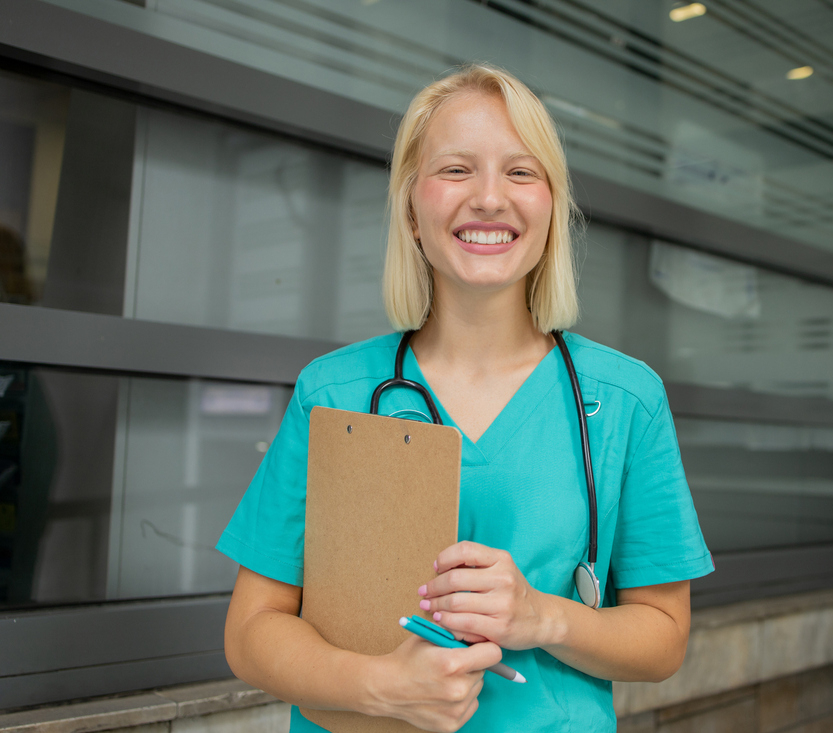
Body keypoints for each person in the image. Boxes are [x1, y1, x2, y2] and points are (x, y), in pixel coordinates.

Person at [217, 64, 713, 733]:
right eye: (455, 170)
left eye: (520, 171)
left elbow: (664, 638)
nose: (488, 197)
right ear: (411, 211)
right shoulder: (334, 394)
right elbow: (251, 630)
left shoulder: (626, 399)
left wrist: (543, 616)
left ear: (551, 209)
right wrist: (381, 688)